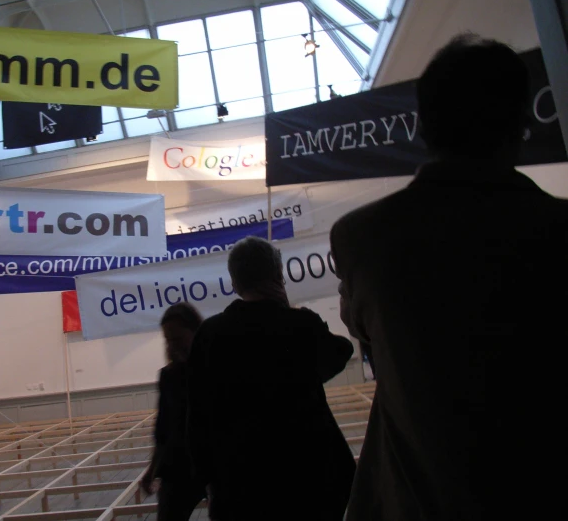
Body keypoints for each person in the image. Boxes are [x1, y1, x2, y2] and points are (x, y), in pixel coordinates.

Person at [331, 34, 568, 520]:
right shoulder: (559, 230)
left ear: (424, 126)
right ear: (523, 121)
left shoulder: (360, 237)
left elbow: (367, 335)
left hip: (418, 500)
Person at [187, 236, 355, 521]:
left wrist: (207, 480)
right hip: (308, 478)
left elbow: (198, 418)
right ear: (278, 275)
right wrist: (290, 313)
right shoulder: (301, 325)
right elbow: (341, 352)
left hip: (239, 484)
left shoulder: (209, 334)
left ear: (234, 282)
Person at [141, 302, 206, 521]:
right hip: (177, 468)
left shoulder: (214, 369)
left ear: (196, 332)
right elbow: (162, 430)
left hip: (211, 463)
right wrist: (152, 470)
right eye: (168, 340)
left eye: (178, 339)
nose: (172, 346)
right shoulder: (168, 377)